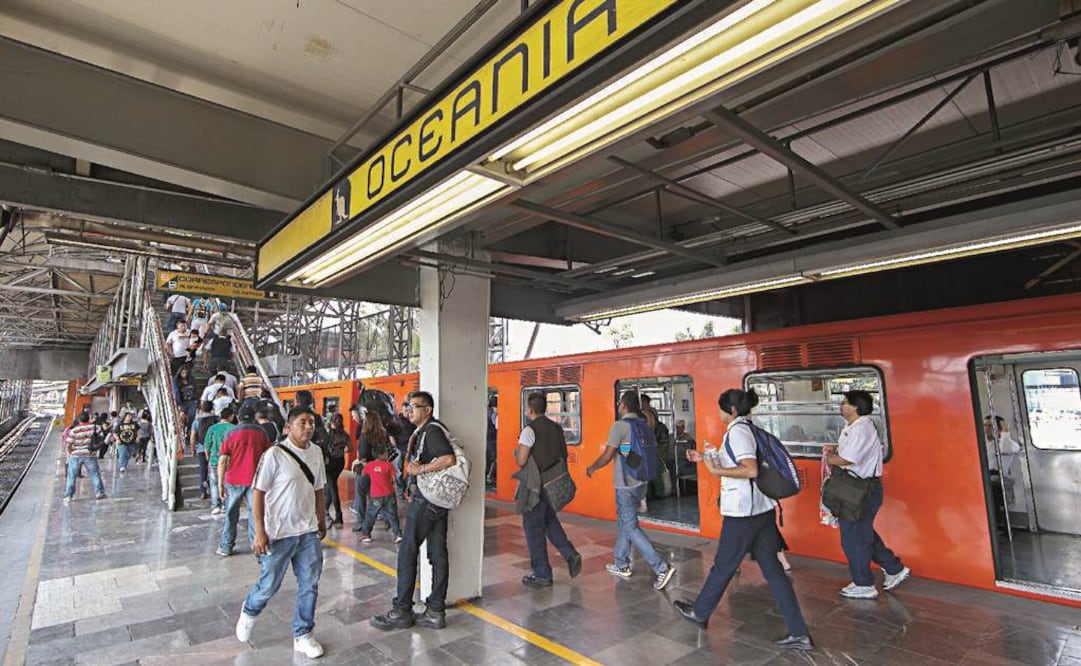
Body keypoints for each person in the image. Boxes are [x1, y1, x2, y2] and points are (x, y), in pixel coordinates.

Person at [671, 389, 812, 650]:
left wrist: (714, 469)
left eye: (721, 408)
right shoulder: (746, 427)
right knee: (773, 570)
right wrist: (705, 458)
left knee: (724, 565)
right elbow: (743, 460)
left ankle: (700, 612)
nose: (719, 413)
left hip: (744, 514)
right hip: (761, 510)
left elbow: (750, 468)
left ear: (732, 410)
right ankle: (798, 632)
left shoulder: (738, 431)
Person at [235, 406, 327, 659]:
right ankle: (250, 610)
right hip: (278, 532)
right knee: (269, 586)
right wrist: (259, 532)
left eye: (312, 423)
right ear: (288, 427)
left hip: (307, 531)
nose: (309, 427)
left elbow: (319, 488)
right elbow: (258, 493)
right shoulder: (274, 455)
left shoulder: (317, 452)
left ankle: (303, 634)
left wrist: (321, 518)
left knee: (310, 583)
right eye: (303, 422)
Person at [370, 391, 456, 631]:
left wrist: (420, 470)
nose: (409, 410)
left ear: (427, 410)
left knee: (407, 550)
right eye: (407, 406)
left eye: (414, 406)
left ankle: (401, 610)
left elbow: (448, 459)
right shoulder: (428, 430)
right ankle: (435, 611)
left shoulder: (432, 431)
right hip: (438, 500)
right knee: (438, 553)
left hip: (428, 501)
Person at [822, 390, 910, 599]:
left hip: (860, 490)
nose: (841, 406)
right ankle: (894, 568)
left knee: (853, 538)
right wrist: (835, 448)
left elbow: (848, 459)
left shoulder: (861, 428)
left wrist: (829, 459)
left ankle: (864, 584)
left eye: (844, 403)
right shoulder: (855, 426)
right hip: (859, 489)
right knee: (863, 532)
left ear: (854, 407)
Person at [585, 391, 675, 591]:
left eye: (619, 404)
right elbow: (629, 452)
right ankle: (621, 562)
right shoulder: (644, 425)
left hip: (625, 484)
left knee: (631, 526)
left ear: (624, 405)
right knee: (624, 522)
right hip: (641, 481)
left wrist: (592, 467)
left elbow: (608, 454)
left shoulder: (620, 426)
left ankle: (661, 566)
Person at [515, 391, 581, 588]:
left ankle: (542, 573)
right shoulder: (556, 428)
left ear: (531, 409)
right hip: (553, 485)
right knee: (550, 521)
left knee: (533, 528)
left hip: (535, 486)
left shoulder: (529, 430)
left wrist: (517, 452)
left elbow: (521, 460)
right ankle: (570, 554)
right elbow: (562, 454)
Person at [217, 406, 270, 556]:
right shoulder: (261, 432)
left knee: (230, 514)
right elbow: (268, 455)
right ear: (254, 416)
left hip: (233, 480)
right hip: (256, 481)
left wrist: (220, 483)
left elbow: (222, 460)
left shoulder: (231, 433)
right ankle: (257, 547)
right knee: (256, 513)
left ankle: (226, 547)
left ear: (238, 417)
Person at [356, 444, 402, 543]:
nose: (387, 454)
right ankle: (397, 534)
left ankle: (366, 534)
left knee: (371, 515)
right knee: (392, 515)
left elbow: (363, 474)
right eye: (386, 453)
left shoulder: (369, 465)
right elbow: (394, 479)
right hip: (389, 494)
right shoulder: (389, 465)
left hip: (375, 496)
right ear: (381, 455)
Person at [351, 408, 388, 528]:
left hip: (365, 471)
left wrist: (356, 462)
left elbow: (363, 456)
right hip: (380, 471)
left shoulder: (364, 436)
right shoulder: (384, 434)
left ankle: (362, 523)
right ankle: (386, 519)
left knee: (361, 496)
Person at [985, 416, 1023, 526]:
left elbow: (1005, 449)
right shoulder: (985, 444)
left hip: (998, 479)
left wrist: (1005, 433)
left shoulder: (1008, 444)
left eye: (991, 426)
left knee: (991, 487)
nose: (986, 429)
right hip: (985, 477)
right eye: (985, 425)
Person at [63, 412, 107, 501]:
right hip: (90, 454)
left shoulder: (74, 430)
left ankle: (68, 495)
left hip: (75, 455)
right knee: (94, 474)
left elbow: (69, 444)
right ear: (89, 418)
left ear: (79, 420)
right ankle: (99, 492)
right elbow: (101, 437)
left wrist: (69, 453)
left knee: (72, 476)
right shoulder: (96, 427)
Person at [205, 407, 235, 516]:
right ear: (230, 416)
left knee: (214, 483)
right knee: (226, 482)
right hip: (229, 460)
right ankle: (225, 505)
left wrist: (208, 457)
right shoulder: (234, 428)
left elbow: (207, 445)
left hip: (214, 459)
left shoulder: (212, 428)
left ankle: (215, 505)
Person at [324, 412, 350, 528]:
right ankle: (324, 511)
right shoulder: (345, 435)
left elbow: (324, 449)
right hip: (340, 462)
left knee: (332, 487)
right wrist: (341, 449)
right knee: (331, 486)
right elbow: (350, 449)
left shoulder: (329, 435)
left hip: (330, 463)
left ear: (332, 422)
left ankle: (339, 517)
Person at [190, 401, 216, 499]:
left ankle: (202, 491)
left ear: (201, 409)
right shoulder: (216, 419)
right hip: (214, 448)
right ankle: (215, 490)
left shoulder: (197, 421)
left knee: (203, 470)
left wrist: (193, 449)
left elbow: (192, 437)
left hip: (201, 448)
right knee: (215, 469)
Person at [174, 365, 199, 430]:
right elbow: (176, 393)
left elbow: (195, 390)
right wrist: (178, 404)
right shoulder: (176, 381)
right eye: (183, 373)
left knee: (191, 416)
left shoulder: (192, 380)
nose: (184, 375)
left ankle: (190, 430)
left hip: (192, 401)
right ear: (180, 373)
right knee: (182, 418)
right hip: (182, 402)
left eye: (186, 373)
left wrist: (197, 400)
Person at [486, 396, 498, 488]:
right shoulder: (493, 414)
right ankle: (490, 476)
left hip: (487, 439)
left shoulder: (485, 411)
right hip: (493, 439)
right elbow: (497, 426)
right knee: (495, 459)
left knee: (489, 459)